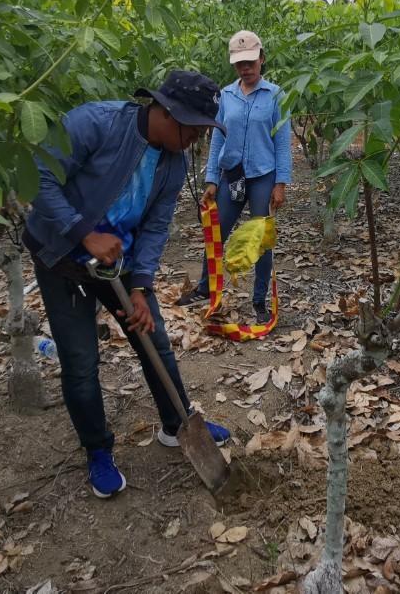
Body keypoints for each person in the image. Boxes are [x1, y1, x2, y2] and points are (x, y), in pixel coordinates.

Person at [23, 70, 232, 498]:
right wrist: (83, 233)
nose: (196, 140)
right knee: (81, 363)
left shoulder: (173, 164)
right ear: (167, 112)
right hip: (63, 260)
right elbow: (38, 176)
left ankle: (178, 422)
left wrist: (140, 286)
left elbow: (156, 227)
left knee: (154, 342)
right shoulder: (93, 124)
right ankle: (98, 450)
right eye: (194, 130)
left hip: (119, 266)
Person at [175, 30, 290, 324]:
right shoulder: (226, 95)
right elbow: (217, 139)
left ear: (262, 59)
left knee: (261, 239)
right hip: (232, 175)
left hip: (263, 175)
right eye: (240, 64)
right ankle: (205, 288)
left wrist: (281, 183)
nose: (246, 68)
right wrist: (212, 179)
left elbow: (281, 140)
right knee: (216, 233)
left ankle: (259, 300)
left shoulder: (276, 95)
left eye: (251, 62)